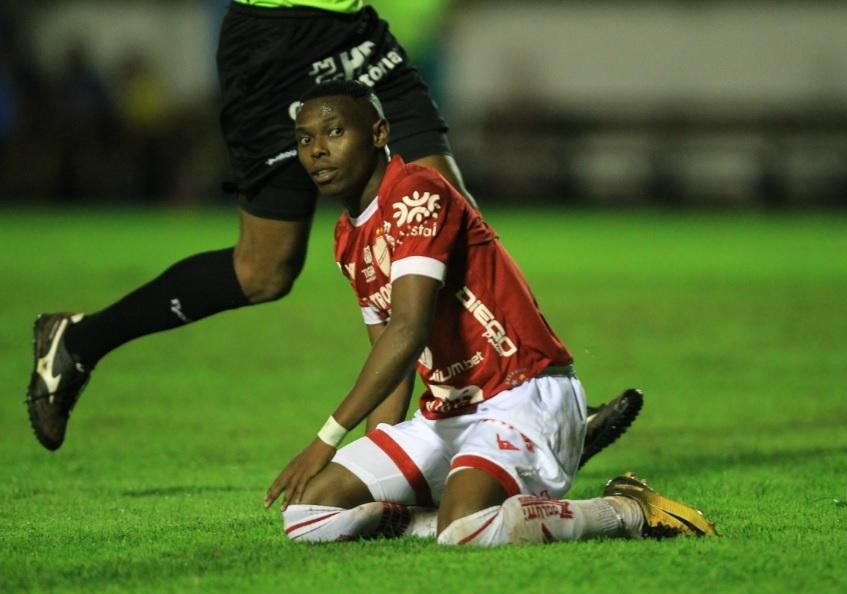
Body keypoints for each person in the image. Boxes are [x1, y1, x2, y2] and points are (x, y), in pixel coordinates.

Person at [26, 0, 638, 461]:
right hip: (275, 38)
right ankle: (79, 343)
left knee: (448, 213)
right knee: (262, 271)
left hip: (353, 30)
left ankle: (528, 415)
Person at [264, 81, 717, 546]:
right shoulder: (347, 238)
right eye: (305, 140)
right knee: (308, 517)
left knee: (463, 531)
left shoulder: (418, 193)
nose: (318, 150)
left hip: (522, 394)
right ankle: (460, 514)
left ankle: (625, 510)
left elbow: (408, 330)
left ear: (379, 133)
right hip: (447, 416)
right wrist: (376, 452)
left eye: (334, 132)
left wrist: (327, 439)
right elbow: (391, 358)